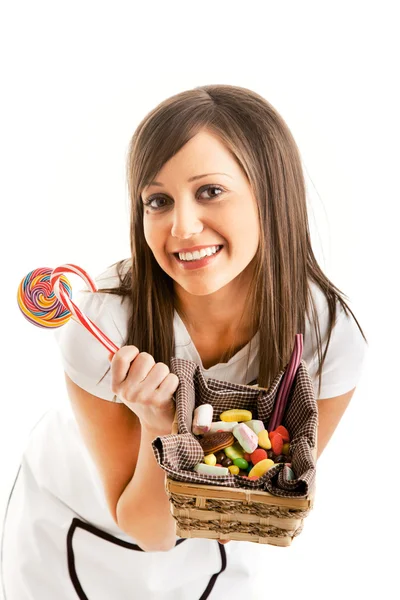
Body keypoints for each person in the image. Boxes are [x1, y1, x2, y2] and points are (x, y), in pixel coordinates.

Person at [1, 84, 368, 600]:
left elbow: (253, 511)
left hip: (212, 551)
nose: (183, 226)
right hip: (69, 532)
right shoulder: (100, 325)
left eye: (210, 191)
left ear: (271, 191)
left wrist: (205, 454)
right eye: (158, 200)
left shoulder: (328, 338)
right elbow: (149, 530)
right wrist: (158, 426)